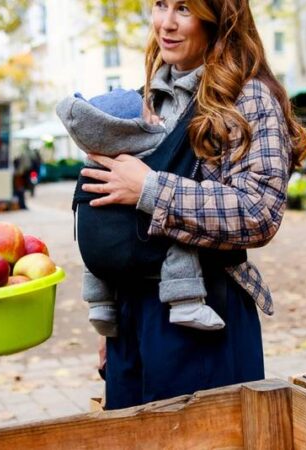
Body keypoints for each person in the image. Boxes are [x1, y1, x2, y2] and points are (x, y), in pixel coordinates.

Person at [74, 0, 306, 409]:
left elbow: (259, 211)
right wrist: (113, 327)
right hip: (133, 316)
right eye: (160, 4)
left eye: (184, 8)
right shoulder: (148, 99)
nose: (166, 23)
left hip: (205, 311)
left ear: (219, 15)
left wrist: (150, 188)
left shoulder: (247, 98)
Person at [58, 88, 225, 336]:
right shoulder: (149, 149)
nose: (156, 120)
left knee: (93, 250)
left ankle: (100, 306)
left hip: (96, 249)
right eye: (149, 117)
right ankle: (186, 304)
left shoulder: (94, 159)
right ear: (129, 127)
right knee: (179, 239)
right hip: (144, 248)